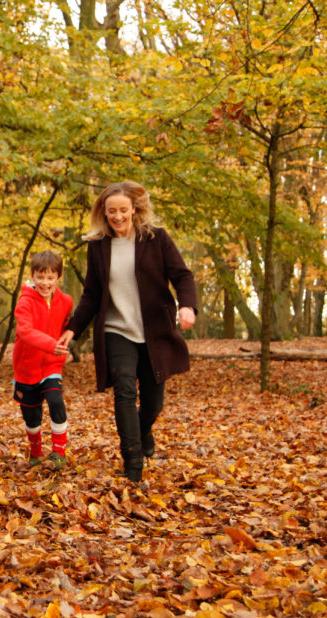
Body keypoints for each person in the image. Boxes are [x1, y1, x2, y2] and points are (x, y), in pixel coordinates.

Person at [57, 181, 197, 483]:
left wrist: (188, 307)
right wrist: (73, 330)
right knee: (123, 392)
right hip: (116, 330)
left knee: (152, 402)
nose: (117, 217)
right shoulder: (98, 246)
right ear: (103, 213)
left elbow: (182, 275)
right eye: (111, 212)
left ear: (134, 209)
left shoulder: (156, 239)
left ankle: (143, 430)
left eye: (123, 210)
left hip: (154, 332)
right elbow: (92, 294)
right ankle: (132, 465)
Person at [13, 250, 73, 471]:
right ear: (33, 276)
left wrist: (68, 334)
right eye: (40, 277)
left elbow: (67, 324)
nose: (45, 283)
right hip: (26, 368)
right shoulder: (25, 302)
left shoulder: (66, 301)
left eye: (50, 277)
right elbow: (24, 332)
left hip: (52, 365)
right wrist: (51, 344)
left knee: (56, 401)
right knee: (32, 417)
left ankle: (59, 453)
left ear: (58, 277)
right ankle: (36, 453)